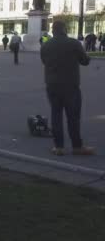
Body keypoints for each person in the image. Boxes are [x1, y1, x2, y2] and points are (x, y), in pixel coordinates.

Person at [40, 21, 94, 156]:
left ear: (53, 30)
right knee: (73, 116)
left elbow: (44, 61)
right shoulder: (73, 43)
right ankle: (77, 146)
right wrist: (88, 57)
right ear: (64, 29)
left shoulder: (45, 45)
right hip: (70, 86)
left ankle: (59, 147)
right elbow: (84, 61)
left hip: (52, 85)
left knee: (56, 115)